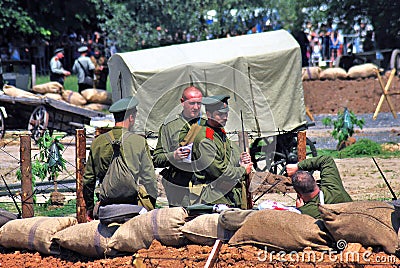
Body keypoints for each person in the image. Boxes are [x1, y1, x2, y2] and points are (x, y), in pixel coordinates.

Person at [83, 96, 158, 221]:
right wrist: (151, 206)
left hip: (106, 206)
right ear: (131, 117)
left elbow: (88, 180)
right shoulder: (138, 142)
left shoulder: (98, 142)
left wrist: (90, 207)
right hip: (133, 205)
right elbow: (149, 179)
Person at [191, 94, 253, 208]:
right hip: (211, 197)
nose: (225, 117)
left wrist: (240, 159)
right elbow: (219, 171)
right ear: (209, 115)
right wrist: (243, 170)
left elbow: (227, 152)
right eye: (220, 114)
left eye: (226, 113)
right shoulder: (205, 139)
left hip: (225, 195)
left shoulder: (218, 132)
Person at [153, 86, 205, 207]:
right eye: (192, 103)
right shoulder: (169, 127)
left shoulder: (207, 126)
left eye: (199, 103)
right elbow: (157, 158)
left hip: (203, 188)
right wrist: (173, 156)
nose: (196, 107)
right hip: (178, 190)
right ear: (182, 102)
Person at [286, 155, 352, 219]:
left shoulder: (307, 211)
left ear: (299, 194)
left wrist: (299, 210)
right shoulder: (333, 186)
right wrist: (298, 166)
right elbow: (326, 160)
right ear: (314, 180)